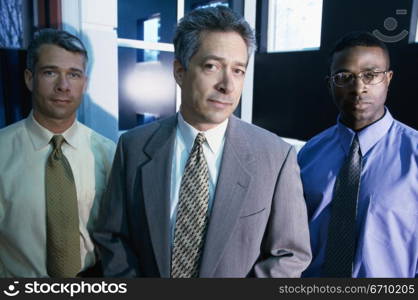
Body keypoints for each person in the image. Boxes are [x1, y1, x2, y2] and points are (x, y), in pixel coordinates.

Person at [94, 6, 311, 278]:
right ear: (180, 71)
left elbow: (290, 254)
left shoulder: (276, 157)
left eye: (238, 70)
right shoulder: (133, 147)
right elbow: (113, 238)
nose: (227, 85)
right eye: (212, 66)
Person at [298, 31, 418, 277]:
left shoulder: (415, 153)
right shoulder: (308, 154)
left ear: (388, 79)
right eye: (344, 77)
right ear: (330, 83)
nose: (358, 88)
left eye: (371, 75)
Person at [0, 29, 116, 277]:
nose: (63, 86)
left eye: (73, 75)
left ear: (84, 83)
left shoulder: (109, 153)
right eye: (50, 73)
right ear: (30, 79)